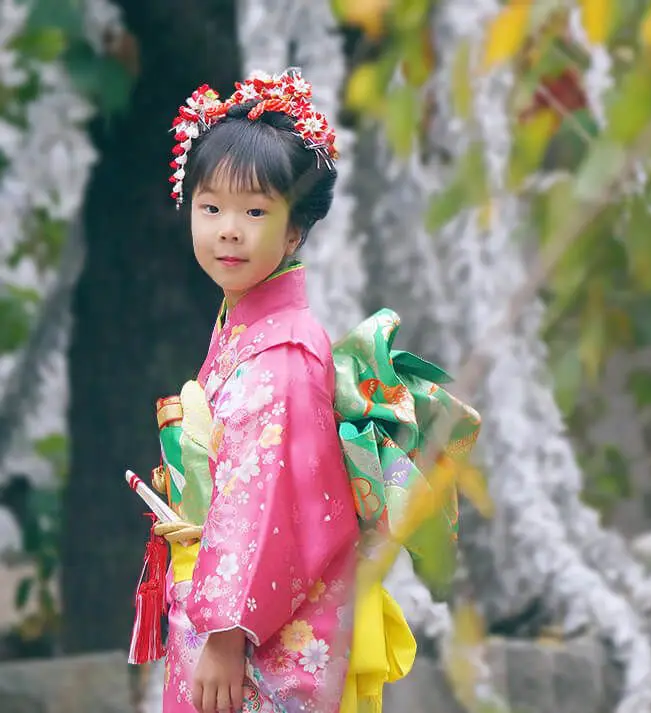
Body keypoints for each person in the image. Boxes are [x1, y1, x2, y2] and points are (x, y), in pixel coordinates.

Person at [127, 68, 482, 713]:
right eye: (211, 208)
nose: (228, 229)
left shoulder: (284, 353)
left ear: (295, 231)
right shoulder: (246, 331)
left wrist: (228, 633)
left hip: (253, 642)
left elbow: (267, 505)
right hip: (227, 626)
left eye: (255, 211)